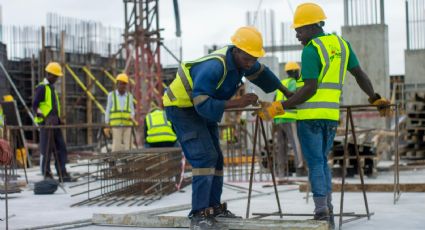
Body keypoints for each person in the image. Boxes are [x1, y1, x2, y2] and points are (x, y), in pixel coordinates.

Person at [258, 3, 391, 228]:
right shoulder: (342, 45)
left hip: (310, 117)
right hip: (330, 117)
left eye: (299, 29)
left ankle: (321, 212)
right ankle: (326, 207)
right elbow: (360, 74)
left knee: (316, 162)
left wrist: (280, 107)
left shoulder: (311, 49)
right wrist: (374, 97)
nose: (297, 34)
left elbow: (310, 88)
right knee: (321, 162)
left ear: (312, 26)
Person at [162, 26, 285, 229]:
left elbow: (263, 74)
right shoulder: (214, 67)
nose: (251, 63)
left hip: (202, 107)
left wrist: (286, 92)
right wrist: (239, 102)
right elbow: (201, 104)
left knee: (217, 158)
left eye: (254, 58)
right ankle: (198, 214)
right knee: (204, 157)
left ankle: (214, 209)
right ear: (236, 50)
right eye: (248, 59)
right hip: (182, 108)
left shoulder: (244, 60)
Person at [33, 62, 72, 182]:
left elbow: (53, 107)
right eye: (55, 76)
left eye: (57, 76)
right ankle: (46, 174)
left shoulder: (51, 88)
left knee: (61, 148)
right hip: (46, 124)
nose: (56, 79)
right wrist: (43, 117)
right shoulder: (42, 87)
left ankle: (62, 173)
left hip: (55, 123)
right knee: (46, 150)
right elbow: (35, 105)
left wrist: (59, 120)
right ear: (49, 74)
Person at [273, 62, 305, 178]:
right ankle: (300, 169)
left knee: (281, 146)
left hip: (278, 118)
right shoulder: (293, 83)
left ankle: (281, 172)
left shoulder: (282, 83)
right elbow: (294, 98)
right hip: (290, 117)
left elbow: (274, 99)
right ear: (296, 71)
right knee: (296, 144)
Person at [104, 73, 135, 152]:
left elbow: (132, 110)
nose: (123, 86)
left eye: (125, 84)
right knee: (116, 146)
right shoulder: (111, 95)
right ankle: (115, 162)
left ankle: (128, 161)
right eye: (122, 84)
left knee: (128, 145)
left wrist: (132, 116)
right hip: (116, 125)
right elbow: (108, 109)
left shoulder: (129, 96)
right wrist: (107, 123)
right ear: (117, 84)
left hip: (127, 124)